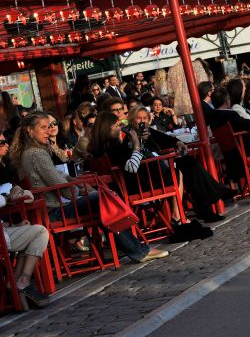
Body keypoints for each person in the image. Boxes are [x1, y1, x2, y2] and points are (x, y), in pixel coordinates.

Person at [11, 112, 167, 264]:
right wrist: (80, 188)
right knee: (104, 198)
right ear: (30, 131)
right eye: (43, 127)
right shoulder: (37, 154)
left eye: (49, 126)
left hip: (45, 210)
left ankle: (135, 248)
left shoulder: (28, 153)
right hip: (54, 211)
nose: (48, 131)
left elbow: (56, 175)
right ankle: (138, 250)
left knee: (103, 198)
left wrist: (73, 181)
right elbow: (64, 189)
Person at [0, 130, 50, 309]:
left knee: (30, 230)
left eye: (6, 141)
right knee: (40, 232)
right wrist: (8, 196)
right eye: (1, 143)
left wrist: (12, 223)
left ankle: (15, 281)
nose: (6, 144)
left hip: (4, 229)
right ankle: (22, 280)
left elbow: (25, 193)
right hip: (2, 236)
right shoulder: (35, 153)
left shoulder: (6, 166)